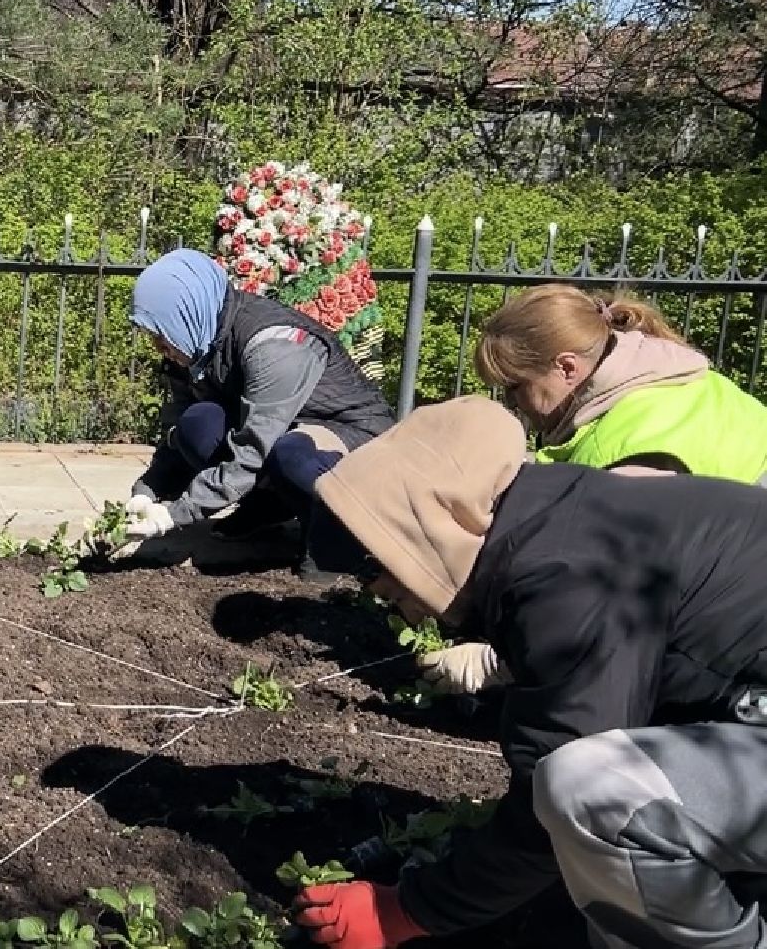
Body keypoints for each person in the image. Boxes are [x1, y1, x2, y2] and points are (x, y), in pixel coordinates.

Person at [294, 396, 767, 949]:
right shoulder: (566, 516)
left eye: (381, 575)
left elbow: (563, 782)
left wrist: (407, 911)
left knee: (591, 792)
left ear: (425, 532)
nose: (386, 599)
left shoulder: (564, 577)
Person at [415, 285, 767, 695]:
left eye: (515, 387)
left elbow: (610, 595)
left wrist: (497, 662)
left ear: (566, 368)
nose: (514, 404)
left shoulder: (637, 448)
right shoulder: (661, 375)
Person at [120, 248, 396, 582]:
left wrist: (176, 513)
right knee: (197, 424)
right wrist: (147, 491)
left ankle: (337, 540)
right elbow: (176, 429)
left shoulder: (273, 345)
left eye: (162, 335)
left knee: (291, 456)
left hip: (353, 435)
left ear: (185, 314)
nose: (160, 347)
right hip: (285, 427)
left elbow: (254, 449)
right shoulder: (196, 343)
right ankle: (269, 504)